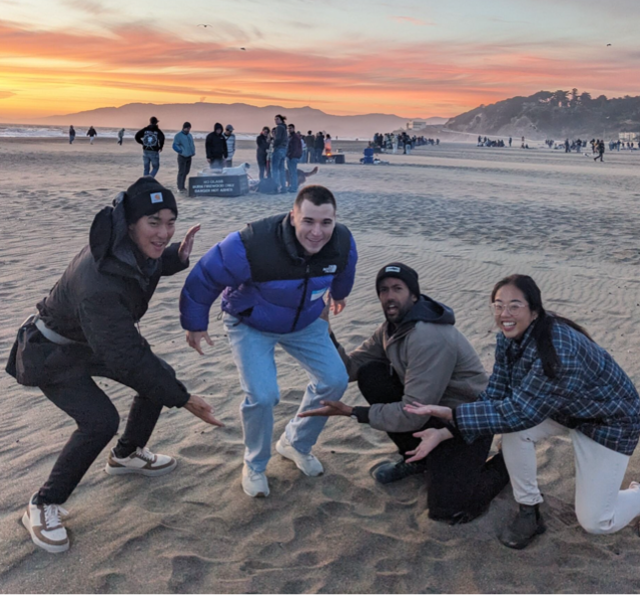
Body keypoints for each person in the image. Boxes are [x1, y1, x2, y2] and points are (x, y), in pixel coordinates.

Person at [5, 178, 223, 554]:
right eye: (154, 222)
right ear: (130, 223)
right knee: (101, 420)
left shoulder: (129, 249)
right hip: (50, 353)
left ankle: (127, 455)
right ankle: (42, 505)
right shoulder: (100, 281)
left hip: (91, 340)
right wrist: (185, 399)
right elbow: (126, 357)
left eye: (170, 222)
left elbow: (143, 269)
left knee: (157, 376)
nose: (164, 231)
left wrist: (176, 257)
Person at [404, 275, 640, 549]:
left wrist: (452, 415)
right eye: (498, 306)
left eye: (514, 306)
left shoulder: (559, 349)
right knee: (516, 434)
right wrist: (445, 431)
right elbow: (495, 396)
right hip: (564, 410)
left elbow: (519, 412)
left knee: (597, 522)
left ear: (534, 310)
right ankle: (529, 511)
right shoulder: (509, 339)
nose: (504, 314)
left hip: (609, 420)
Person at [180, 185, 358, 499]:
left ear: (334, 221)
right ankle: (255, 464)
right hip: (250, 322)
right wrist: (195, 323)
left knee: (335, 379)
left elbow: (344, 267)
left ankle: (295, 443)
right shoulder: (253, 243)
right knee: (263, 396)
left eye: (325, 223)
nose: (317, 232)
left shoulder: (341, 241)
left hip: (304, 319)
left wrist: (340, 294)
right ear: (293, 216)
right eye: (308, 221)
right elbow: (206, 275)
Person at [300, 264, 509, 523]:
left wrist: (353, 412)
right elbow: (350, 369)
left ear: (414, 296)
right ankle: (419, 460)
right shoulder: (391, 329)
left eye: (398, 289)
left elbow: (412, 415)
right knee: (371, 374)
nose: (389, 296)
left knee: (449, 511)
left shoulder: (428, 336)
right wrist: (325, 330)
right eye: (384, 290)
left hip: (466, 423)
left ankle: (507, 463)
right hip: (428, 414)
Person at [172, 122, 196, 192]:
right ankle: (180, 186)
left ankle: (183, 185)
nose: (188, 130)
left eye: (189, 128)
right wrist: (181, 151)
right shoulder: (178, 136)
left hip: (189, 156)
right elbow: (174, 145)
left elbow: (192, 144)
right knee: (181, 172)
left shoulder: (190, 135)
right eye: (187, 128)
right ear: (184, 127)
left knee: (186, 171)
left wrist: (193, 151)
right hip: (182, 156)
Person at [271, 115, 289, 194]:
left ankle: (275, 187)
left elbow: (278, 138)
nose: (276, 121)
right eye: (275, 119)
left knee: (275, 169)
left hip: (278, 149)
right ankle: (283, 187)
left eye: (277, 119)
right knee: (281, 169)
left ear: (281, 120)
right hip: (284, 149)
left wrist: (274, 144)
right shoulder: (284, 128)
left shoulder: (279, 128)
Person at [287, 123, 303, 192]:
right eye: (288, 128)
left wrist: (290, 155)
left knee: (293, 172)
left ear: (293, 129)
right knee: (291, 172)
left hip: (293, 157)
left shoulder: (295, 137)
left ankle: (294, 187)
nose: (289, 129)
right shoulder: (290, 137)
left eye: (290, 128)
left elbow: (295, 148)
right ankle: (292, 186)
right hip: (291, 156)